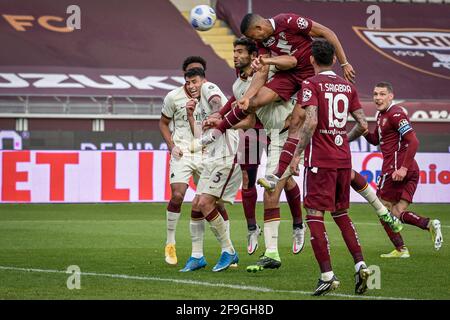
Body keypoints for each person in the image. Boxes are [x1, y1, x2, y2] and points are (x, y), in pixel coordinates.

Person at [200, 13, 355, 192]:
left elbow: (327, 33)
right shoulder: (261, 41)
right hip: (290, 74)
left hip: (311, 75)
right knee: (253, 103)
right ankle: (216, 133)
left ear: (259, 28)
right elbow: (264, 71)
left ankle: (277, 174)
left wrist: (344, 63)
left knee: (295, 122)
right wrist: (247, 96)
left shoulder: (288, 21)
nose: (253, 40)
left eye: (252, 36)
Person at [205, 37, 307, 259]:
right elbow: (238, 97)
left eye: (239, 52)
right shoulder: (240, 78)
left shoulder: (268, 71)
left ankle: (298, 225)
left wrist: (222, 121)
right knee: (247, 177)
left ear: (254, 56)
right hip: (253, 131)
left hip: (276, 130)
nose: (234, 56)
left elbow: (292, 80)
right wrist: (220, 116)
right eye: (234, 51)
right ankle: (252, 228)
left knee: (284, 179)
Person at [289, 39, 370, 296]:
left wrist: (295, 155)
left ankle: (327, 275)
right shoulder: (347, 86)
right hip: (343, 160)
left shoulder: (310, 84)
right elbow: (364, 124)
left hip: (320, 161)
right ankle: (360, 264)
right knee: (341, 213)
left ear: (312, 59)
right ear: (334, 60)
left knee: (314, 214)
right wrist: (343, 138)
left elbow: (310, 122)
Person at [363, 82, 443, 251]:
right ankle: (429, 224)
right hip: (410, 169)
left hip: (396, 170)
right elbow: (376, 140)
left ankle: (401, 249)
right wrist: (364, 132)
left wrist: (403, 168)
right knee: (397, 212)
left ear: (391, 96)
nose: (378, 98)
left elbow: (414, 141)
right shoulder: (381, 115)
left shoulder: (396, 114)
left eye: (382, 94)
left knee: (382, 209)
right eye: (375, 94)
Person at [179, 68, 241, 272]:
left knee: (206, 202)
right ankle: (197, 256)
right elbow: (199, 134)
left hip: (226, 156)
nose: (191, 86)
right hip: (212, 157)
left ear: (203, 80)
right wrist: (190, 114)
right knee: (196, 205)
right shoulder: (196, 105)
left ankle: (229, 251)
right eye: (188, 83)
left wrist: (216, 114)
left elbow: (217, 101)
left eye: (194, 81)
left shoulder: (208, 88)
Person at [159, 56, 208, 265]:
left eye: (196, 75)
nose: (192, 82)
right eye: (189, 76)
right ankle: (170, 242)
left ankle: (227, 249)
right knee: (178, 195)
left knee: (213, 203)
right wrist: (172, 146)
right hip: (182, 153)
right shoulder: (173, 97)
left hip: (205, 153)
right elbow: (163, 123)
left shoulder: (212, 95)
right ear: (185, 76)